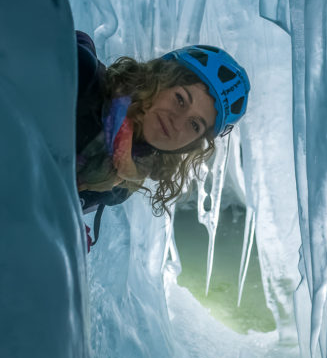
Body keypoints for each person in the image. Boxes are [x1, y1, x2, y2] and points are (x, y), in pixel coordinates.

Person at [76, 32, 250, 249]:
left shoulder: (119, 187)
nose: (177, 122)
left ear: (192, 144)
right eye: (180, 99)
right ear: (159, 79)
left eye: (195, 125)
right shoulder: (80, 78)